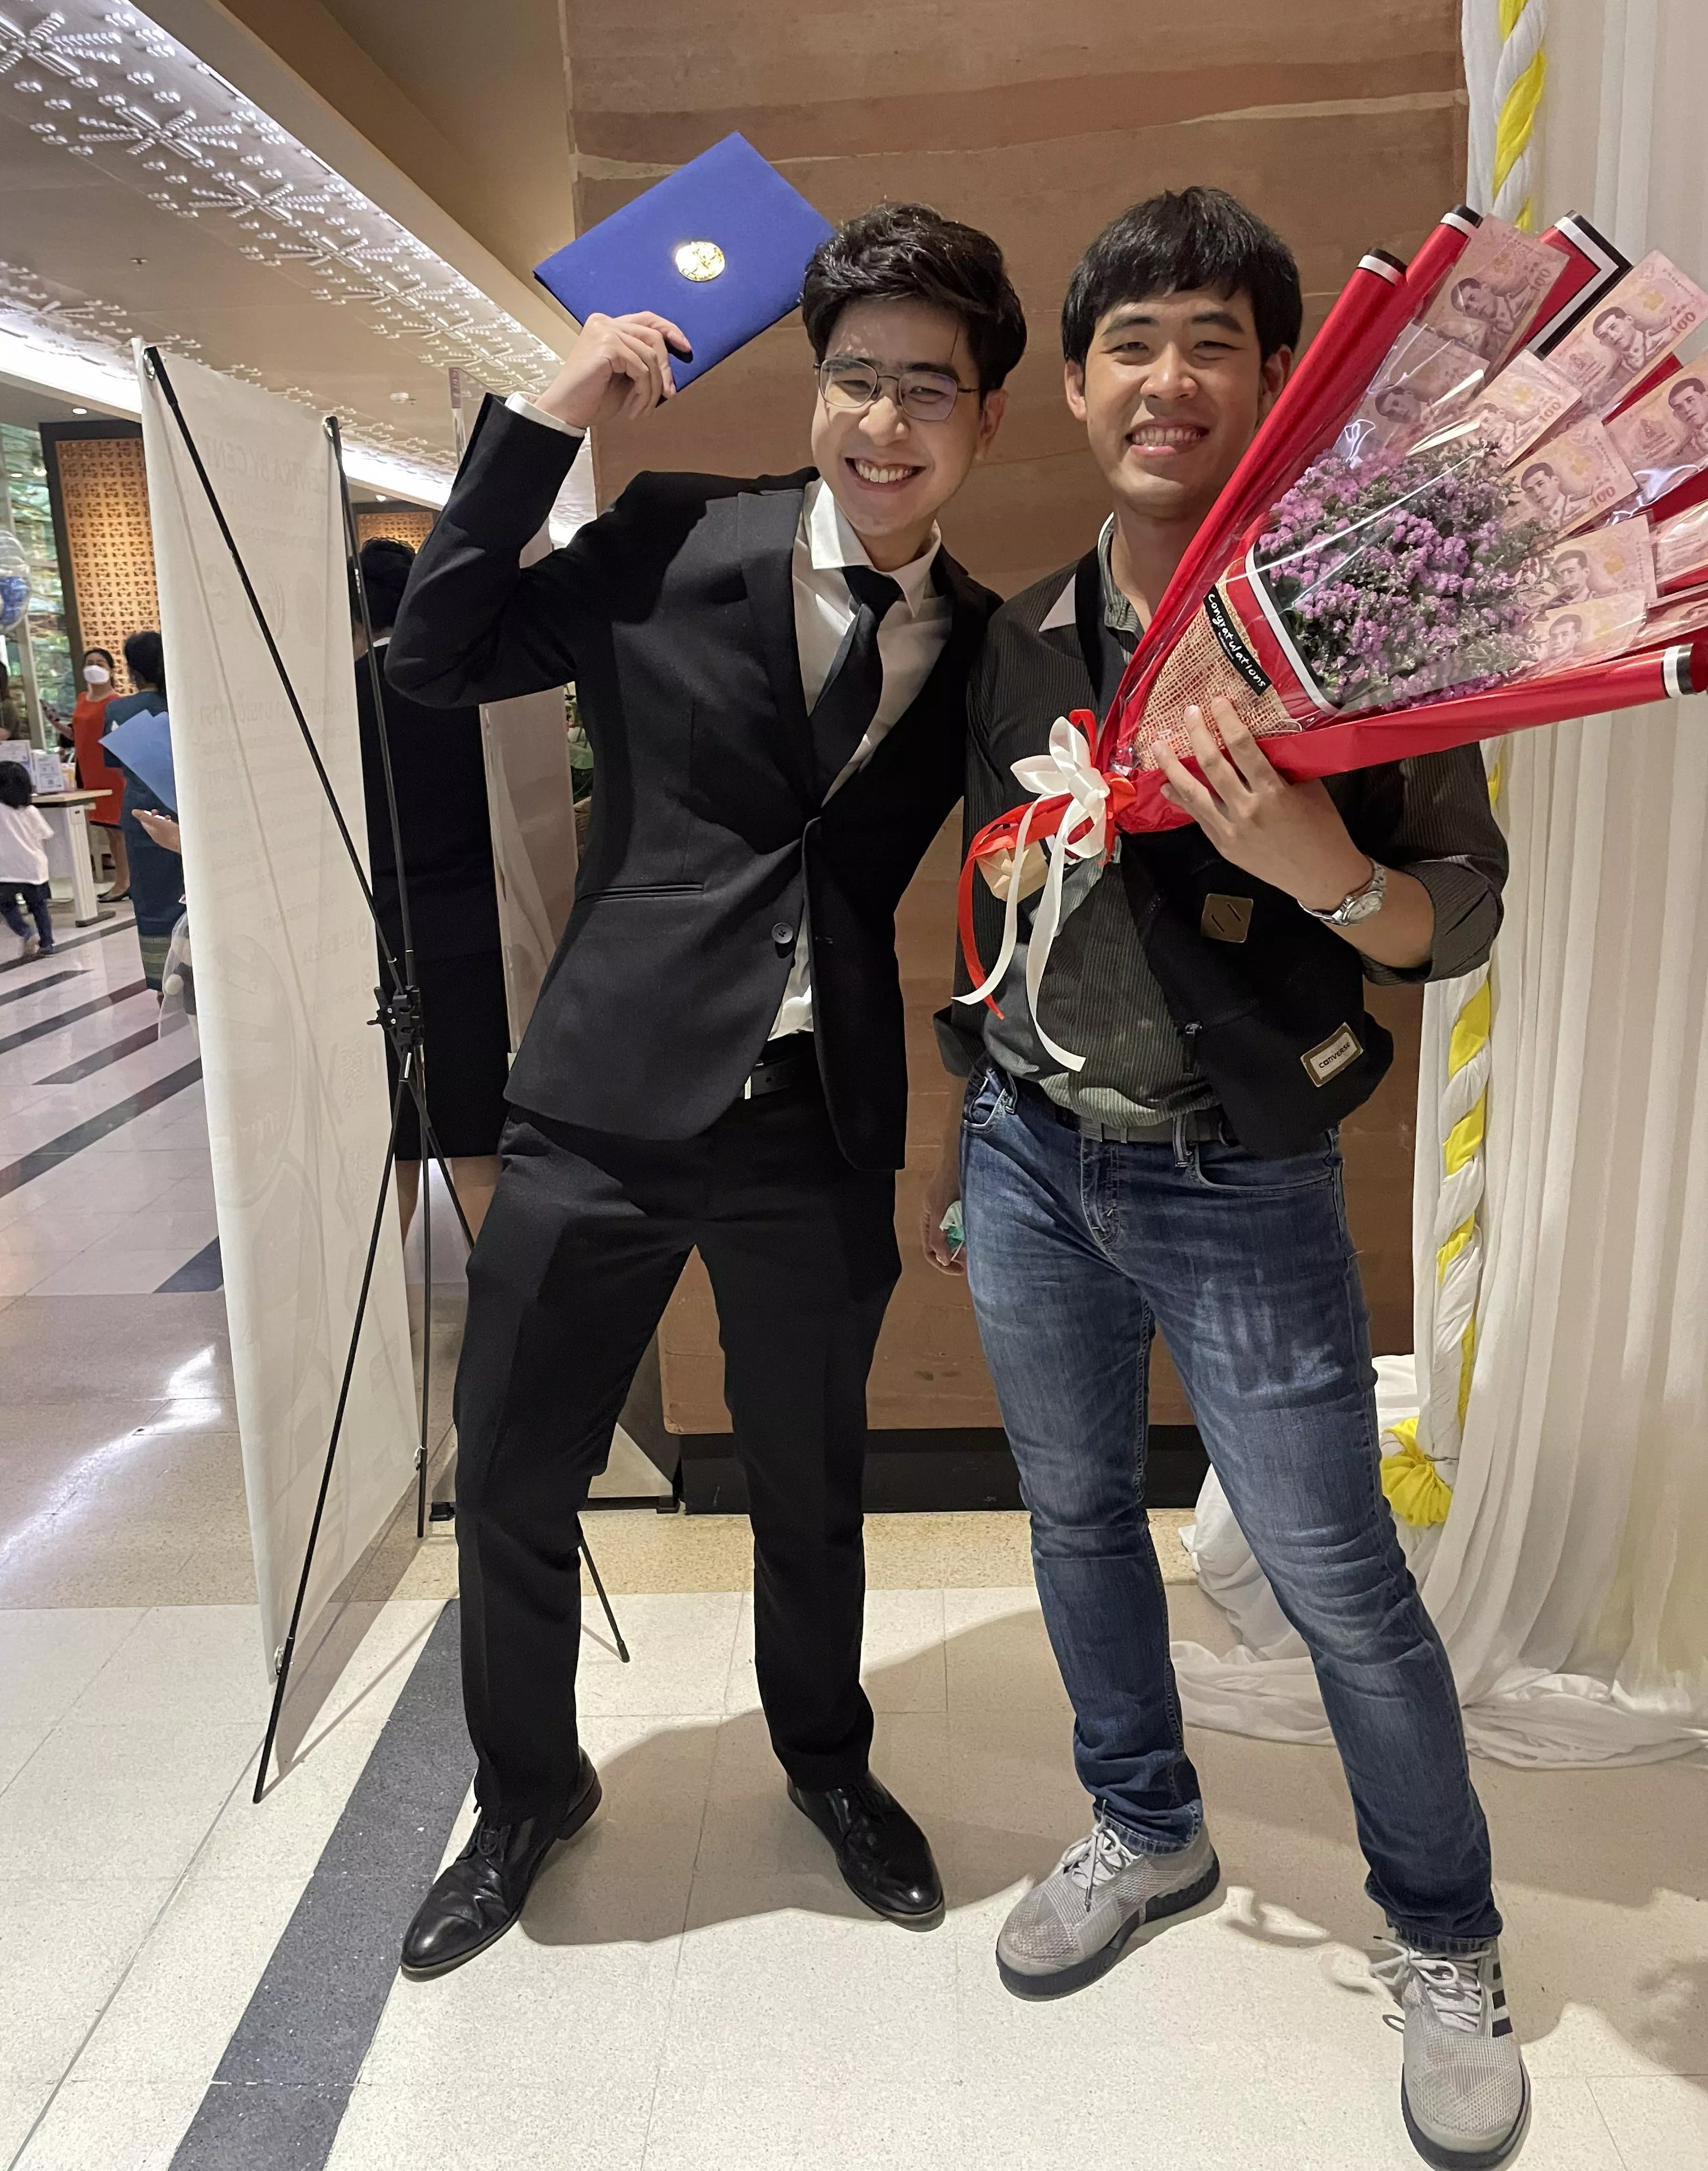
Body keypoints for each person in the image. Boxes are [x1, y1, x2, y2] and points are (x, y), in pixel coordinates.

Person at [926, 189, 1524, 2169]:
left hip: (1233, 1180)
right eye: (1130, 343)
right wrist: (963, 1140)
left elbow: (1458, 917)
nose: (1166, 378)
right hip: (1029, 1158)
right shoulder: (1012, 644)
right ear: (1076, 385)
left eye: (1210, 341)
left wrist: (1320, 875)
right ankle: (1146, 1825)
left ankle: (1441, 1940)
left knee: (1345, 1590)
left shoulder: (1361, 633)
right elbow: (981, 911)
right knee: (1077, 1522)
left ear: (1274, 384)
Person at [385, 202, 1024, 1976]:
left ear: (985, 421)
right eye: (856, 382)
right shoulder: (673, 535)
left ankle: (827, 1760)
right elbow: (430, 661)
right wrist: (541, 422)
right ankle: (525, 1793)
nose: (884, 424)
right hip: (597, 1106)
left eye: (930, 393)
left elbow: (1003, 875)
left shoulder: (980, 638)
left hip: (814, 1132)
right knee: (514, 1471)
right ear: (814, 391)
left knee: (814, 1478)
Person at [353, 537, 506, 1245]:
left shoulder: (335, 704)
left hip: (374, 932)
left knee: (395, 1140)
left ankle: (388, 1329)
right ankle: (505, 1321)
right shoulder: (467, 687)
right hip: (474, 926)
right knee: (475, 1132)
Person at [103, 630, 180, 991]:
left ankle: (161, 984)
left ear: (132, 670)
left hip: (140, 816)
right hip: (184, 813)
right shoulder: (182, 703)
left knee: (152, 903)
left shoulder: (119, 710)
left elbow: (115, 762)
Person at [71, 648, 129, 900]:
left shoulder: (116, 702)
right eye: (90, 663)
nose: (94, 667)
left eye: (100, 663)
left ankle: (124, 881)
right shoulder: (82, 699)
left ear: (110, 669)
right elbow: (79, 734)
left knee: (119, 831)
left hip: (112, 772)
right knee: (108, 831)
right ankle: (123, 880)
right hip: (89, 771)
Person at [0, 758, 54, 959]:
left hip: (5, 871)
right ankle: (47, 944)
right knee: (40, 907)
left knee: (6, 906)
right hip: (34, 869)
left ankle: (25, 932)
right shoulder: (31, 811)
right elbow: (44, 837)